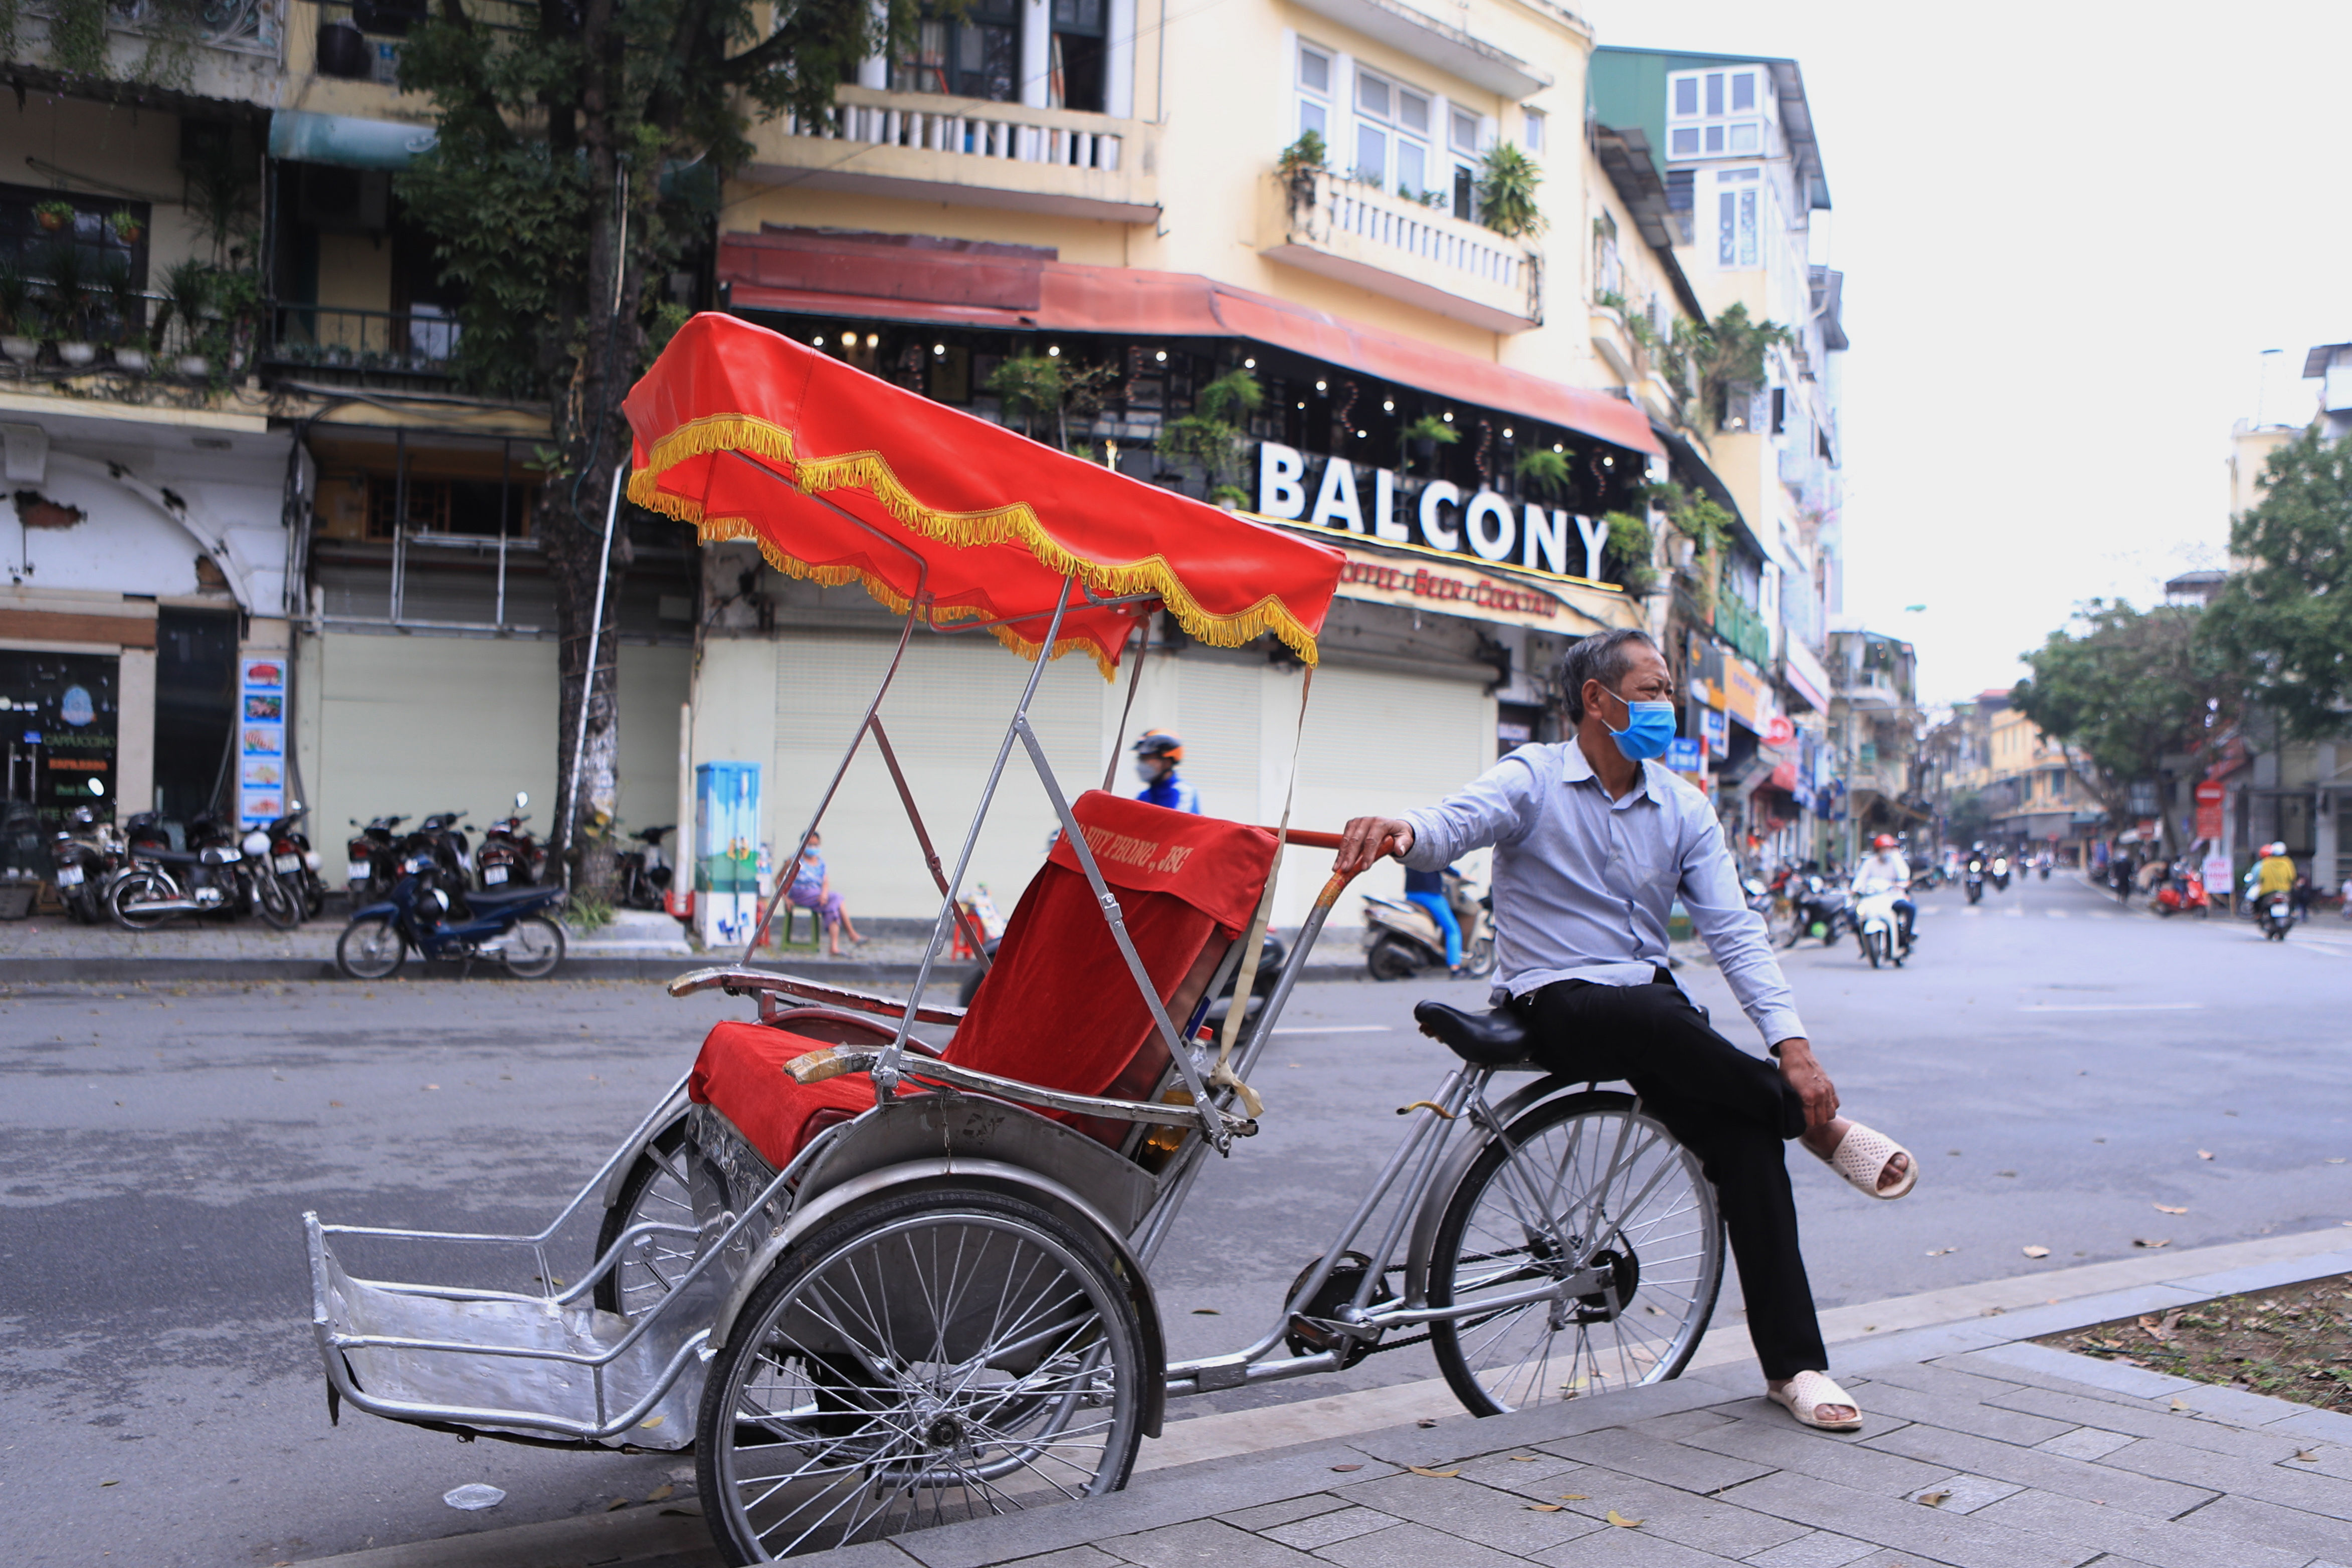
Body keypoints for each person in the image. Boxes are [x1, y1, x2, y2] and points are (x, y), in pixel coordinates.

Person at [1334, 627, 1914, 1435]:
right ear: (1597, 702)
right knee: (1651, 1011)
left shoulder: (1683, 805)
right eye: (1650, 691)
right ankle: (1810, 1125)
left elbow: (1734, 931)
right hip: (1556, 1003)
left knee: (1744, 1140)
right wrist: (1401, 829)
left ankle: (1796, 1365)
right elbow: (1456, 820)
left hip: (1655, 1019)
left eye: (1668, 691)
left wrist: (1794, 1047)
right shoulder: (1534, 777)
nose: (1665, 706)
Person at [785, 832, 865, 957]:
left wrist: (824, 894)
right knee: (838, 898)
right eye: (810, 845)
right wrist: (785, 898)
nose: (813, 848)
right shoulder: (794, 860)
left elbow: (825, 882)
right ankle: (851, 934)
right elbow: (779, 880)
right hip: (800, 894)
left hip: (817, 896)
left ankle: (834, 947)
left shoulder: (821, 863)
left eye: (815, 845)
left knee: (832, 907)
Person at [1853, 833, 1916, 948]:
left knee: (1910, 908)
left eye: (1888, 849)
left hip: (1893, 897)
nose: (1885, 852)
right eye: (1883, 849)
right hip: (1873, 899)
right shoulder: (1870, 863)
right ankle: (1863, 944)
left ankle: (1906, 936)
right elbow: (1860, 880)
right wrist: (1855, 890)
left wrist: (1901, 884)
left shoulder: (1896, 861)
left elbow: (1904, 875)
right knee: (1852, 916)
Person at [1401, 862, 1466, 974]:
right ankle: (1455, 967)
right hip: (1430, 896)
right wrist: (1462, 875)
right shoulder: (1433, 850)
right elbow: (1445, 866)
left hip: (1411, 896)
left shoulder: (1410, 848)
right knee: (1452, 929)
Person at [1131, 730, 1203, 814]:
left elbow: (1180, 825)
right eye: (1141, 759)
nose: (1142, 764)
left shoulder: (1184, 793)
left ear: (1167, 762)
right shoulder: (1144, 796)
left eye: (1147, 758)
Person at [2254, 842, 2296, 916]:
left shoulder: (2266, 863)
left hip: (2268, 891)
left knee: (2258, 901)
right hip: (2285, 891)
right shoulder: (2287, 862)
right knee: (2295, 898)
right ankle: (2293, 912)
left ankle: (2259, 915)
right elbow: (2292, 877)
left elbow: (2261, 877)